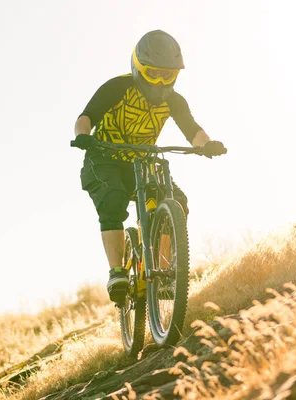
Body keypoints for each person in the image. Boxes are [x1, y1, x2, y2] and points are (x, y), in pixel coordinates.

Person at [71, 30, 226, 303]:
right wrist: (83, 137)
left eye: (168, 75)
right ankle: (117, 272)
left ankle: (164, 268)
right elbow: (86, 117)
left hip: (141, 160)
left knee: (176, 200)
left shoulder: (174, 101)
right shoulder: (117, 88)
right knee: (113, 198)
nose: (160, 81)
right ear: (138, 68)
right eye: (154, 73)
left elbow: (192, 130)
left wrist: (207, 144)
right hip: (104, 157)